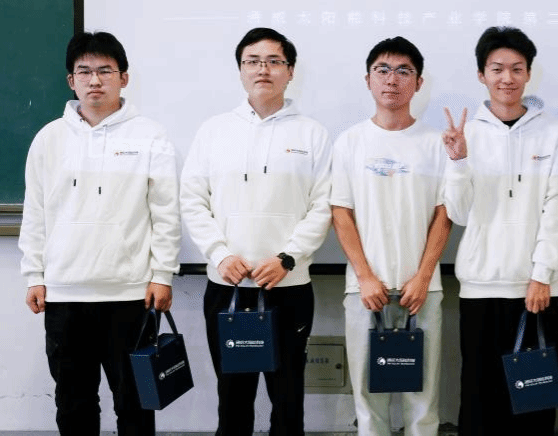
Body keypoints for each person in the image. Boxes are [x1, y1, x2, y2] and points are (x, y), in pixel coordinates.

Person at [18, 30, 180, 436]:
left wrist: (162, 274)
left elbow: (165, 212)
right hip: (64, 294)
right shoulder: (49, 139)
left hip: (130, 295)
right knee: (73, 403)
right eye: (84, 71)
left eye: (105, 71)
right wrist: (34, 275)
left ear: (124, 77)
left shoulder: (150, 135)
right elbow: (35, 212)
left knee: (135, 404)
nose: (95, 80)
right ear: (71, 80)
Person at [180, 27, 332, 436]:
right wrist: (220, 254)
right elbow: (192, 200)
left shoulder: (312, 133)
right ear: (240, 70)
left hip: (288, 286)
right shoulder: (214, 131)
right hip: (229, 287)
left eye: (273, 61)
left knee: (288, 400)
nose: (263, 69)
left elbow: (323, 206)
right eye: (253, 61)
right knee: (233, 401)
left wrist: (287, 258)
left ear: (290, 71)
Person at [441, 27, 558, 436]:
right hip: (480, 286)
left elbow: (555, 208)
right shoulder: (467, 132)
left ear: (529, 73)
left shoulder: (552, 130)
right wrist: (458, 162)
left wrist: (542, 274)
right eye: (497, 69)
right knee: (481, 400)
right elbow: (458, 213)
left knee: (534, 402)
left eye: (516, 68)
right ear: (482, 75)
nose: (507, 78)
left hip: (536, 289)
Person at [330, 36, 452, 436]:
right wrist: (365, 276)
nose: (392, 79)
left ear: (418, 83)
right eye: (382, 70)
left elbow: (444, 214)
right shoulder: (350, 142)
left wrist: (423, 276)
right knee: (369, 400)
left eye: (403, 71)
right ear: (368, 79)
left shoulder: (435, 143)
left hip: (423, 289)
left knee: (423, 399)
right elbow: (341, 213)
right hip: (365, 290)